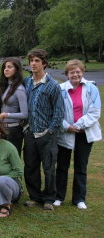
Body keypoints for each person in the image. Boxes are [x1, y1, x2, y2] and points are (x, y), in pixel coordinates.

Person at [53, 60, 102, 210]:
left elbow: (95, 111)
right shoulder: (60, 89)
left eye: (78, 71)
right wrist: (67, 126)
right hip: (65, 132)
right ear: (67, 74)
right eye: (72, 72)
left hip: (84, 133)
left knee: (81, 167)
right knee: (62, 166)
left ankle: (79, 199)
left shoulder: (92, 88)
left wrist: (78, 125)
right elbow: (56, 111)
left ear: (83, 72)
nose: (75, 74)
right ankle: (58, 197)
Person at [23, 49, 64, 211]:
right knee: (31, 166)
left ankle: (48, 198)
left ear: (44, 64)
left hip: (46, 134)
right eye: (31, 61)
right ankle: (34, 196)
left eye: (37, 61)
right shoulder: (26, 82)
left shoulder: (53, 85)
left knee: (48, 168)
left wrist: (50, 131)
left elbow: (59, 111)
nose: (33, 64)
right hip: (30, 132)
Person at [0, 58, 28, 156]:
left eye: (9, 67)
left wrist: (7, 115)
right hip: (3, 129)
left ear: (16, 69)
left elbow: (24, 114)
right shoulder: (7, 86)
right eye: (5, 67)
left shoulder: (19, 89)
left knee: (12, 159)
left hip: (14, 130)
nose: (6, 69)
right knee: (2, 159)